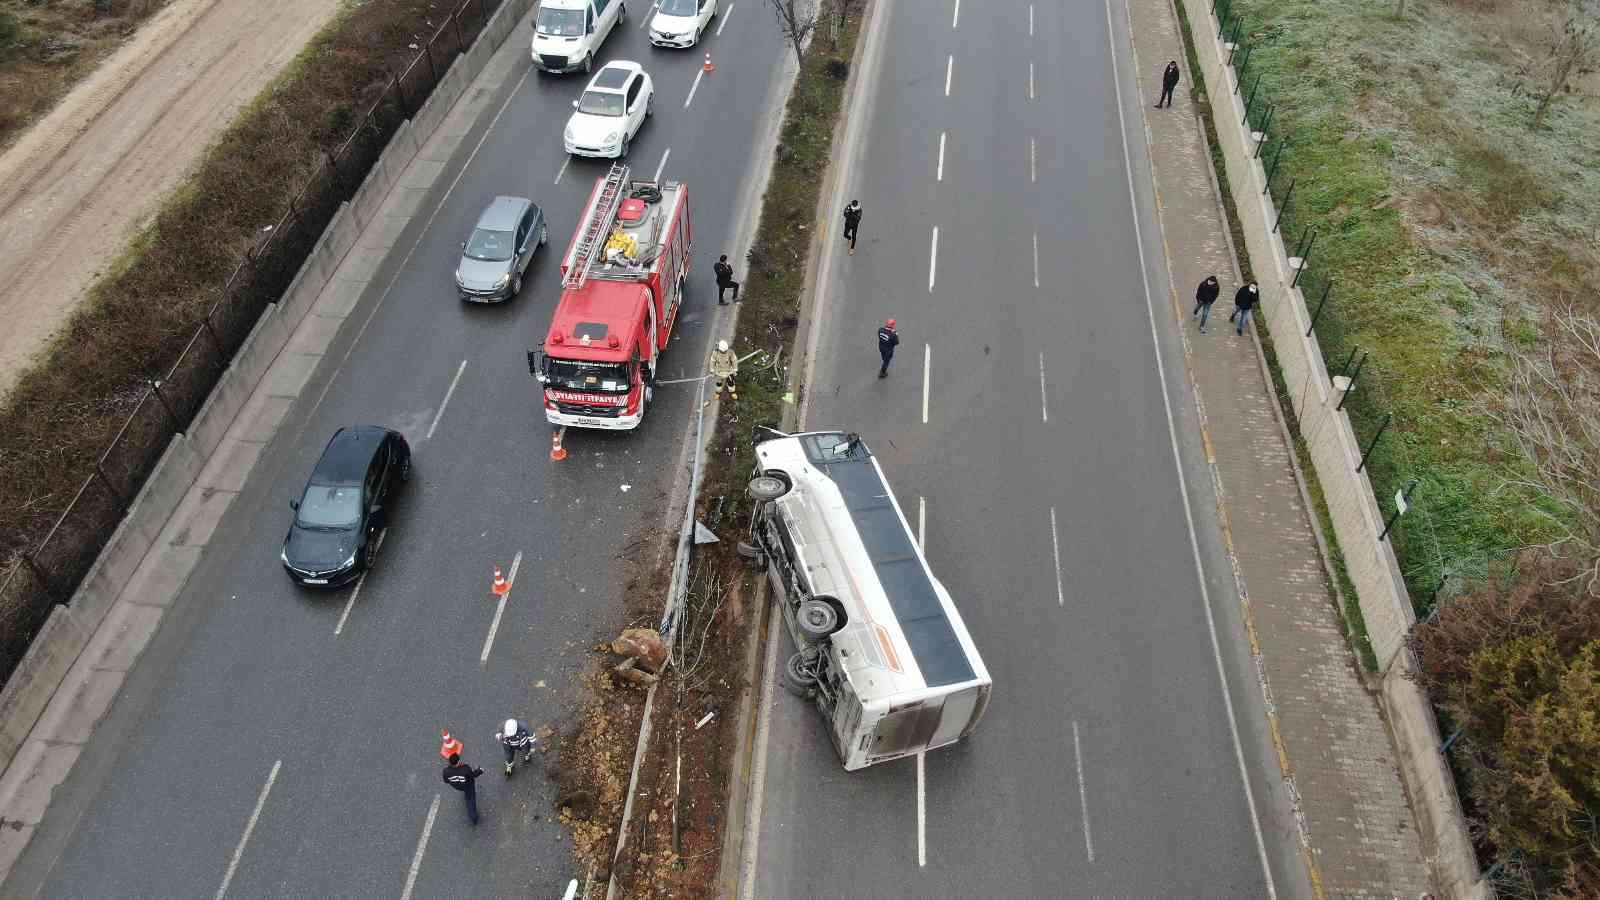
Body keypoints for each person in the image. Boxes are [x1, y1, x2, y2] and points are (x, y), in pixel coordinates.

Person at [442, 753, 485, 825]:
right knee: (470, 800)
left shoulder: (446, 771)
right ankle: (473, 817)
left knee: (466, 794)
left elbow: (446, 781)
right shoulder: (465, 768)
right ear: (458, 762)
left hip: (457, 786)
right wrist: (480, 770)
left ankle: (473, 815)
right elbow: (472, 775)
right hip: (468, 786)